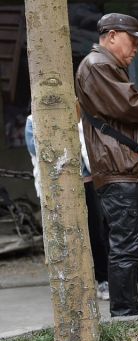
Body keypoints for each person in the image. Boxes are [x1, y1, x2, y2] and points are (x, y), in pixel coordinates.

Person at [75, 13, 138, 316]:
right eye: (132, 40)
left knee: (128, 243)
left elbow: (131, 113)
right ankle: (124, 311)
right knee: (125, 244)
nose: (135, 47)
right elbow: (131, 105)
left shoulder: (105, 66)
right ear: (110, 35)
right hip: (117, 168)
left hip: (121, 167)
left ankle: (128, 307)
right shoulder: (98, 66)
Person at [24, 115, 111, 301]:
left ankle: (103, 280)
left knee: (96, 233)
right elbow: (35, 149)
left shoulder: (76, 113)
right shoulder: (33, 120)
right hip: (56, 185)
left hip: (86, 181)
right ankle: (71, 285)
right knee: (63, 236)